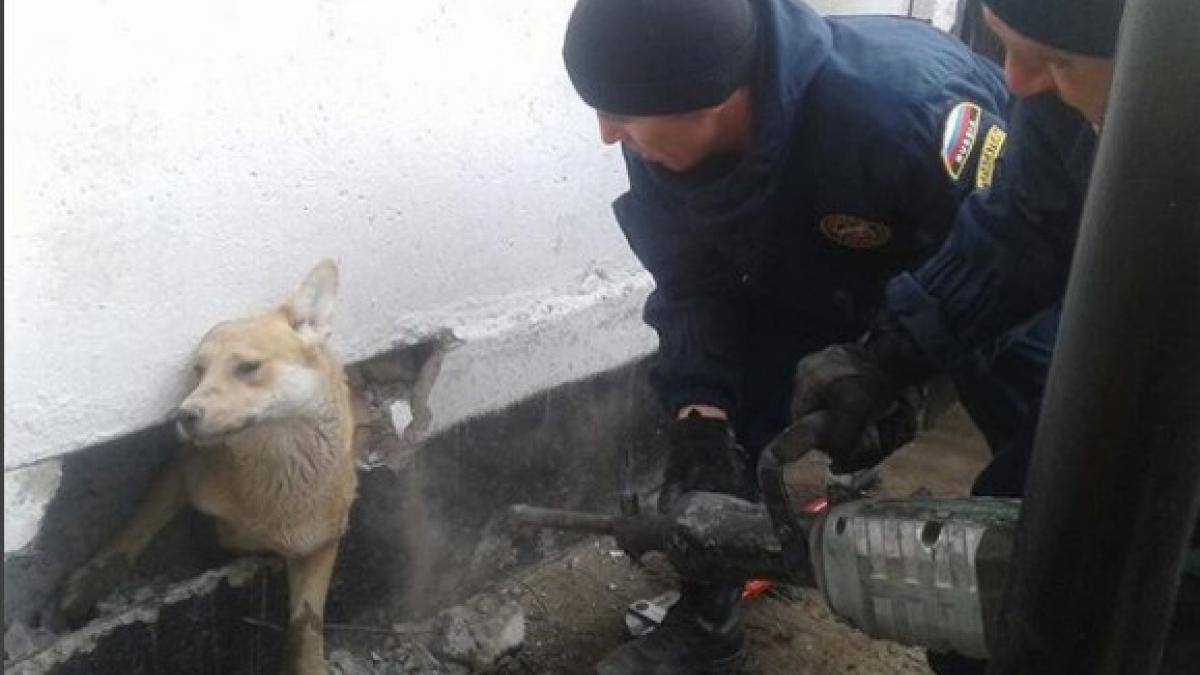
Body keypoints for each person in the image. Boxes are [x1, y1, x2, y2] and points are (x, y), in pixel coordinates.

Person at [561, 0, 1055, 672]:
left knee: (1055, 462)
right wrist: (700, 416)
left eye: (620, 112)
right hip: (817, 269)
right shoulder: (664, 132)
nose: (607, 133)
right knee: (729, 414)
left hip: (973, 266)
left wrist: (900, 371)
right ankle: (708, 623)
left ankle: (1033, 635)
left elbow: (1016, 254)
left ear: (708, 99)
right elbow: (691, 280)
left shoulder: (904, 111)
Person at [788, 0, 1128, 671]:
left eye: (1058, 60)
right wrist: (889, 357)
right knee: (994, 571)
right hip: (1134, 377)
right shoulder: (1064, 109)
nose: (1016, 81)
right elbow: (1025, 224)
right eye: (1003, 43)